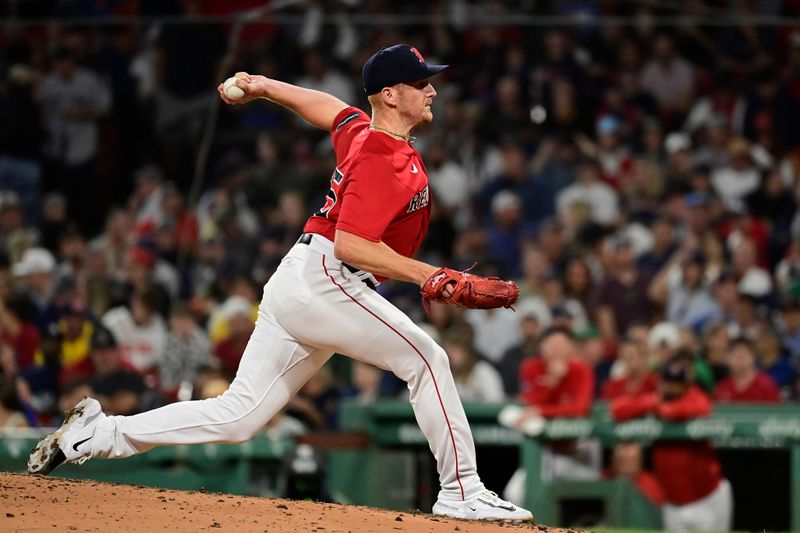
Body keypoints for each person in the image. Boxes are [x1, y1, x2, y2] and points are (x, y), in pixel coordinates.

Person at [28, 44, 532, 522]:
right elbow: (352, 245)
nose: (433, 91)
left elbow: (330, 109)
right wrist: (435, 277)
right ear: (390, 95)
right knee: (427, 359)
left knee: (239, 416)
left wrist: (265, 85)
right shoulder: (383, 157)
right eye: (421, 83)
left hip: (303, 280)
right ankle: (462, 491)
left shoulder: (365, 134)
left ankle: (99, 434)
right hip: (329, 279)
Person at [611, 354, 733, 532]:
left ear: (685, 384)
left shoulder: (695, 397)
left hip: (709, 497)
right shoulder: (654, 398)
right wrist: (652, 403)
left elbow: (699, 408)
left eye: (677, 383)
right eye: (668, 382)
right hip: (674, 505)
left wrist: (660, 408)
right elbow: (617, 409)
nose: (672, 388)